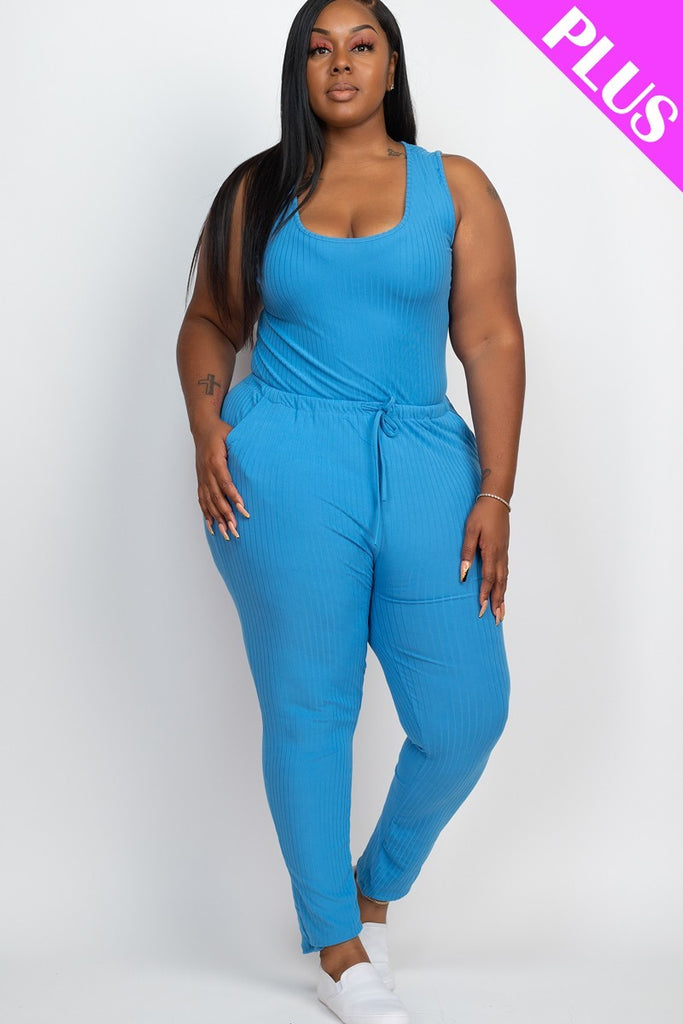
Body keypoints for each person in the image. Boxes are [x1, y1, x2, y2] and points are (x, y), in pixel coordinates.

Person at [176, 1, 525, 1020]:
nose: (341, 63)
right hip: (282, 462)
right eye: (319, 48)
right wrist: (206, 428)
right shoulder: (258, 190)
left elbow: (490, 339)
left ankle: (370, 889)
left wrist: (495, 489)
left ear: (390, 65)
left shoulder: (455, 186)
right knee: (310, 706)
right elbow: (209, 321)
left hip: (424, 458)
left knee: (466, 712)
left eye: (361, 45)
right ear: (300, 69)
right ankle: (337, 950)